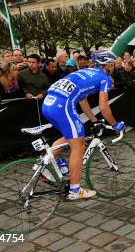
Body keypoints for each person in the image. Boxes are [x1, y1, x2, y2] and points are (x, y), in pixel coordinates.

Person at [42, 49, 125, 200]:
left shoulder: (86, 71)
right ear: (108, 65)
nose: (113, 67)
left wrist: (94, 120)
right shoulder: (104, 78)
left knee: (71, 137)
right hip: (62, 106)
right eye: (112, 64)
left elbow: (83, 100)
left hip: (48, 103)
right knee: (79, 146)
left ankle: (43, 164)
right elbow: (103, 106)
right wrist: (115, 124)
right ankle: (75, 190)